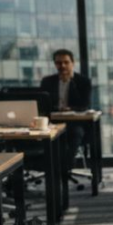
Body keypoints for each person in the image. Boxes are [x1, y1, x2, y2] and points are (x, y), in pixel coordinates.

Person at [39, 49, 92, 177]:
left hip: (75, 122)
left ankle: (64, 169)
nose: (62, 66)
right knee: (48, 137)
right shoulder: (47, 82)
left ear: (73, 63)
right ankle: (53, 169)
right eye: (58, 63)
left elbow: (84, 105)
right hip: (54, 121)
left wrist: (70, 84)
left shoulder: (83, 81)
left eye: (66, 62)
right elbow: (42, 104)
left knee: (75, 134)